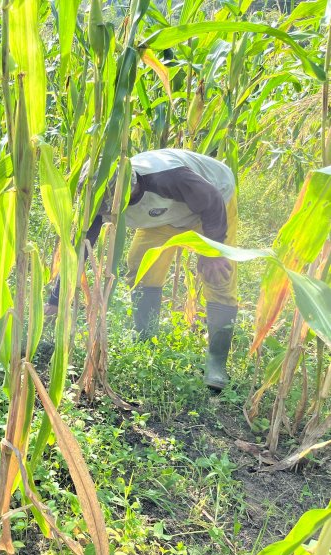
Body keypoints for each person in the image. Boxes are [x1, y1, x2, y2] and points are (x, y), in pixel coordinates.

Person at [46, 148, 238, 391]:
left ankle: (216, 362)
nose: (107, 211)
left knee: (218, 276)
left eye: (111, 205)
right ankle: (146, 341)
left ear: (131, 188)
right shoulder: (98, 197)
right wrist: (56, 299)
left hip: (213, 205)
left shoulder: (169, 178)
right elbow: (80, 249)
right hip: (163, 219)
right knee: (140, 268)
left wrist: (213, 251)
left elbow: (211, 201)